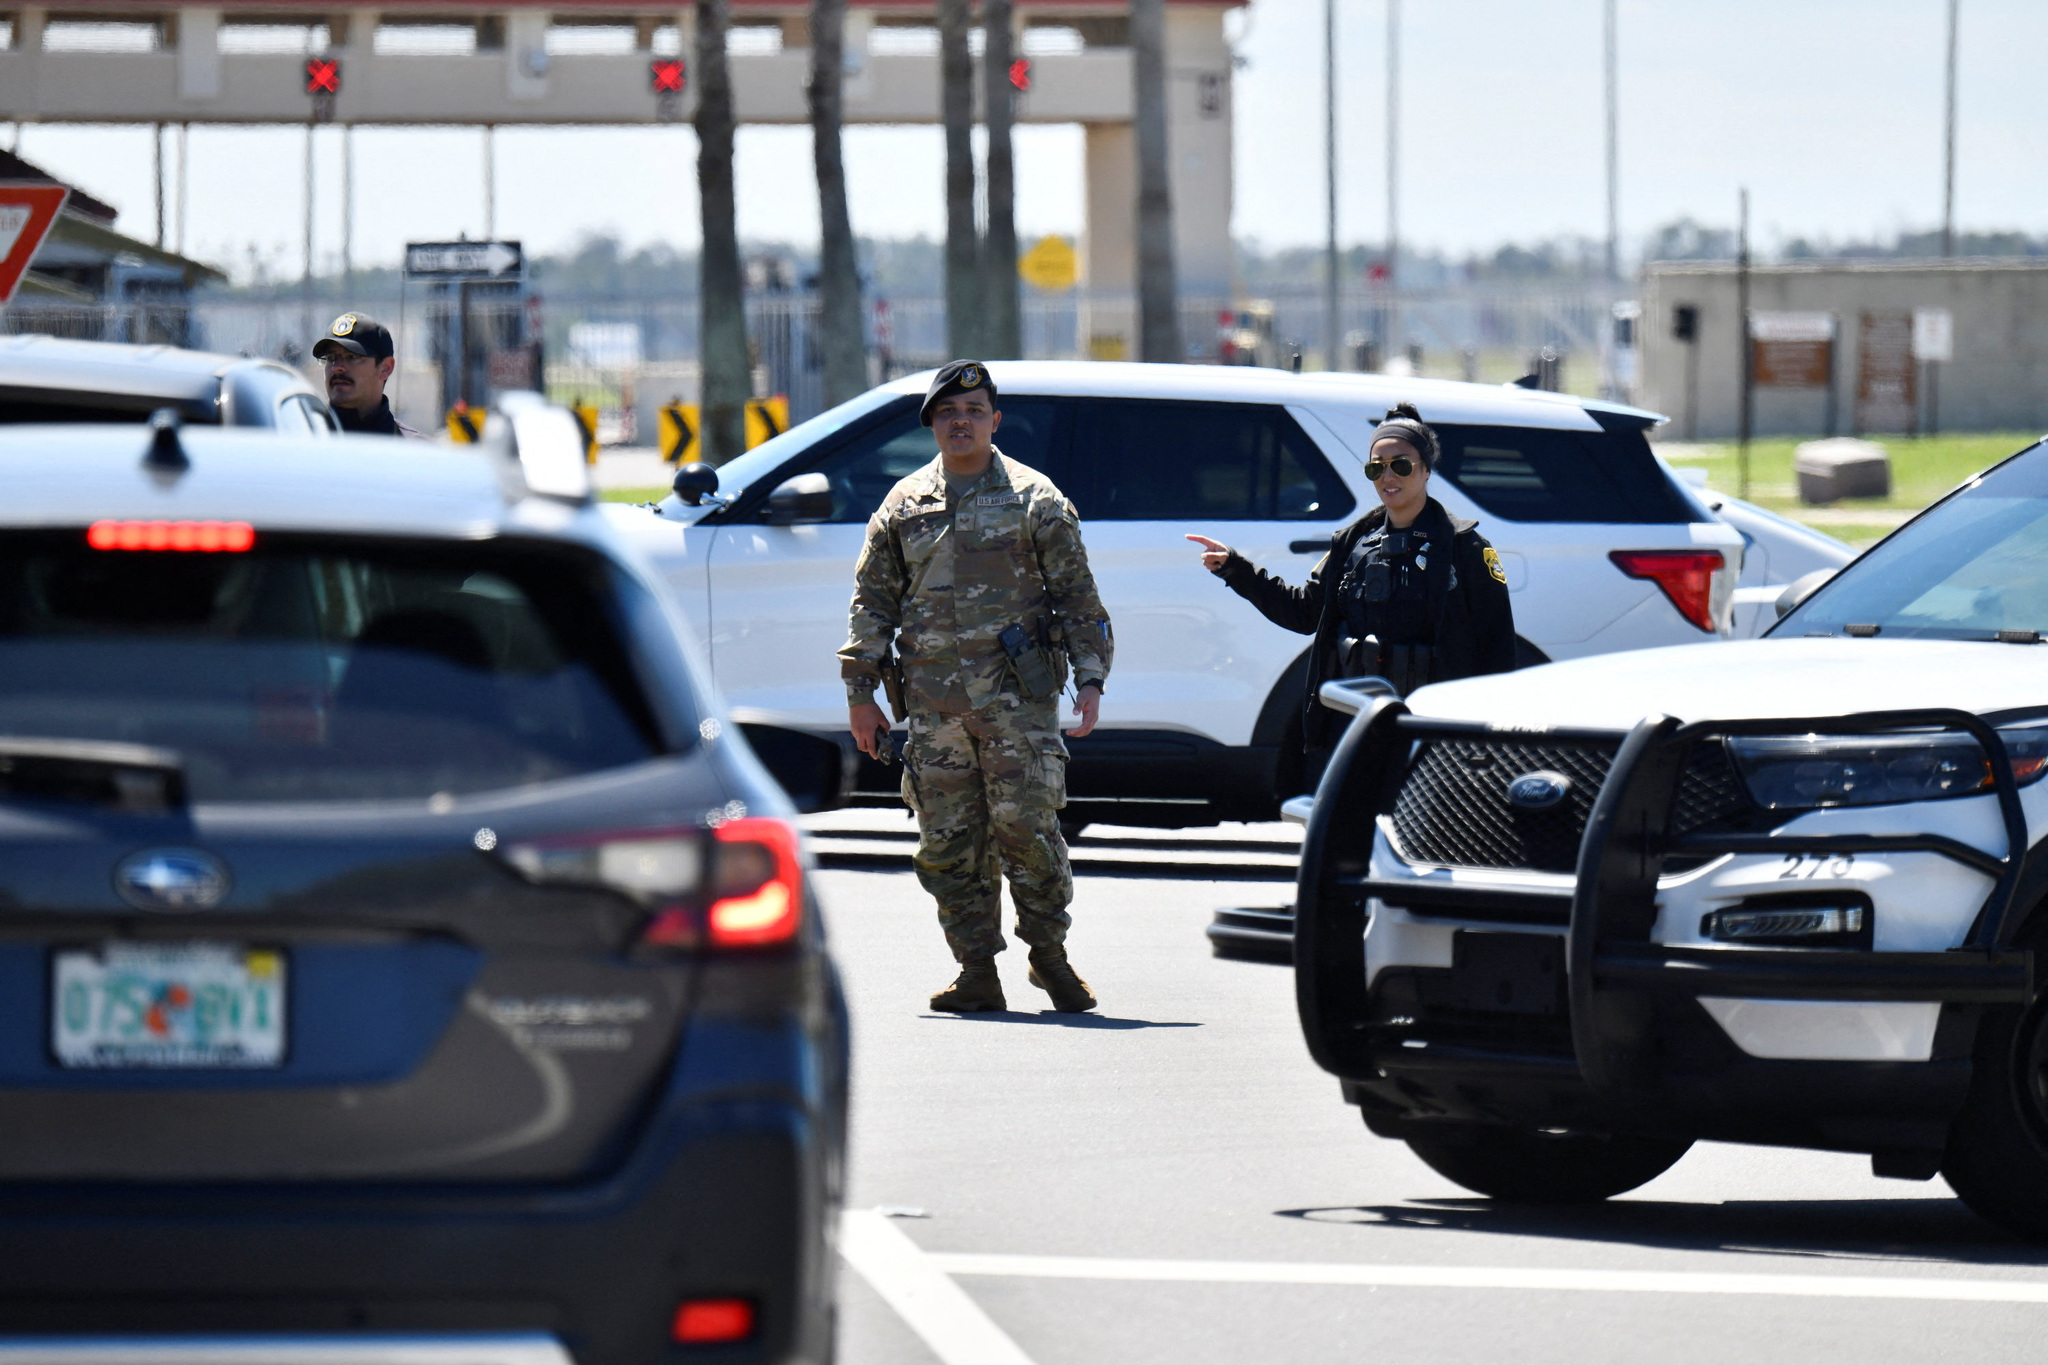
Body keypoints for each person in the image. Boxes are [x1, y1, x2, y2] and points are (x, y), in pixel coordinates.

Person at [840, 360, 1113, 1015]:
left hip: (1017, 705)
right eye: (947, 413)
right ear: (932, 424)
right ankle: (975, 970)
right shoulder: (904, 504)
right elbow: (872, 603)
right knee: (947, 843)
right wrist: (860, 695)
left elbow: (1078, 597)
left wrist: (1091, 679)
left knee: (1029, 833)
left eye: (973, 411)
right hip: (934, 708)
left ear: (995, 420)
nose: (960, 422)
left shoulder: (1035, 498)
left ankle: (1049, 957)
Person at [1187, 401, 1515, 771]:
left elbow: (1497, 644)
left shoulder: (1464, 546)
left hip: (1433, 728)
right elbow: (1304, 613)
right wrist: (1236, 569)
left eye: (1401, 465)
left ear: (1425, 470)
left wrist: (1489, 736)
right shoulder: (1353, 544)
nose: (1388, 477)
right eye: (1376, 467)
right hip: (1359, 722)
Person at [312, 313, 423, 438]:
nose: (337, 367)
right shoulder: (303, 438)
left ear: (385, 368)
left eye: (352, 357)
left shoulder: (413, 447)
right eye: (331, 358)